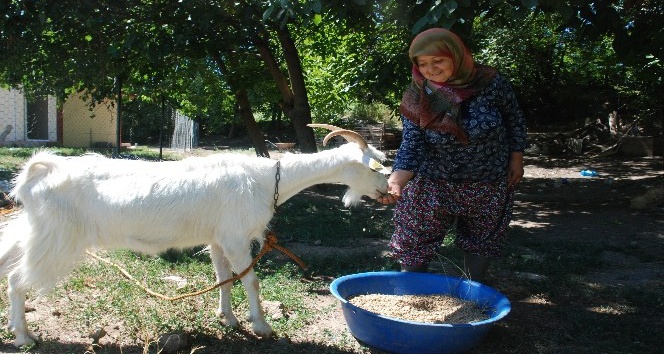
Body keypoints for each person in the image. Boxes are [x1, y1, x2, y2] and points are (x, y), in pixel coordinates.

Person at [377, 28, 527, 282]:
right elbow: (412, 144)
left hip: (487, 180)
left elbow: (514, 120)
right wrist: (395, 182)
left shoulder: (491, 83)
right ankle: (411, 294)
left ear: (456, 56)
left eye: (438, 60)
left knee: (482, 239)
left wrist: (516, 159)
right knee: (414, 239)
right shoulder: (417, 94)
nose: (430, 69)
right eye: (422, 63)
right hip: (432, 182)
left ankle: (472, 294)